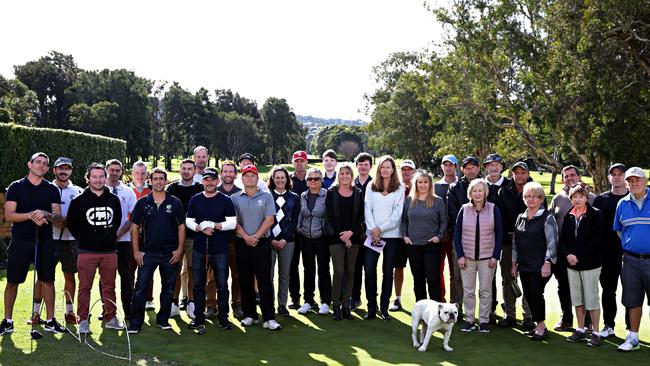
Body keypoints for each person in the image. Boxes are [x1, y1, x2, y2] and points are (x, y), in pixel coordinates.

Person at [1, 152, 65, 335]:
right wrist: (30, 215)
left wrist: (46, 214)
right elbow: (9, 215)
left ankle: (51, 321)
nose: (42, 166)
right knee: (12, 281)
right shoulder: (15, 187)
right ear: (30, 164)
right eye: (38, 162)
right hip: (20, 240)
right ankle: (8, 321)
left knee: (48, 281)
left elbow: (58, 217)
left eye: (45, 164)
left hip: (45, 240)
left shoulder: (52, 189)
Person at [67, 163, 124, 334]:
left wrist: (107, 238)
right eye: (94, 177)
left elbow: (117, 220)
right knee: (84, 287)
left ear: (105, 178)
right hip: (86, 251)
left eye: (101, 176)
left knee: (109, 287)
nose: (98, 180)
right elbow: (72, 224)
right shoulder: (78, 201)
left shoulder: (114, 199)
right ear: (88, 178)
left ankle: (110, 318)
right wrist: (85, 238)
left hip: (109, 251)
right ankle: (83, 321)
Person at [128, 168, 186, 334]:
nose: (159, 181)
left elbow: (181, 227)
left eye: (162, 178)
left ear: (166, 181)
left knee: (168, 289)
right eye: (156, 179)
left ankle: (163, 320)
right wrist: (137, 251)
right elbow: (134, 228)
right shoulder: (142, 203)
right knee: (140, 289)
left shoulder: (175, 202)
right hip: (148, 253)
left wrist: (180, 249)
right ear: (150, 181)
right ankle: (135, 323)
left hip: (170, 253)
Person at [185, 167, 237, 331]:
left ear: (217, 181)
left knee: (222, 285)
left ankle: (223, 319)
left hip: (220, 249)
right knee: (198, 284)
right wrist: (200, 227)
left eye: (212, 180)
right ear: (203, 181)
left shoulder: (225, 200)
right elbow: (189, 220)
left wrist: (215, 225)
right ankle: (199, 318)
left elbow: (232, 222)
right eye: (206, 180)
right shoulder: (196, 199)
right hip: (200, 247)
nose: (209, 182)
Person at [231, 165, 280, 330]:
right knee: (245, 281)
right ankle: (250, 315)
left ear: (257, 178)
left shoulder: (266, 196)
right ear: (242, 179)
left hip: (262, 243)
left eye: (253, 176)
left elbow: (270, 220)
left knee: (265, 281)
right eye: (246, 176)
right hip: (242, 244)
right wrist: (246, 237)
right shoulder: (235, 198)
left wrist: (256, 237)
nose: (250, 178)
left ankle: (269, 318)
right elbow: (234, 222)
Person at [549, 165, 596, 332]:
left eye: (572, 175)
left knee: (586, 287)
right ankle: (567, 318)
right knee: (564, 286)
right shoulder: (558, 199)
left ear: (579, 176)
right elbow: (551, 225)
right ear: (562, 180)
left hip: (585, 252)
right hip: (563, 251)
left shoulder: (591, 197)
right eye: (566, 176)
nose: (569, 178)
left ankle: (589, 322)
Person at [454, 179, 503, 333]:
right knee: (468, 290)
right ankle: (469, 320)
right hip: (467, 258)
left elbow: (499, 233)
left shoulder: (493, 209)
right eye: (474, 191)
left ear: (485, 192)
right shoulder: (464, 209)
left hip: (487, 258)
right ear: (470, 193)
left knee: (485, 290)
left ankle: (483, 321)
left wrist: (495, 256)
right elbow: (457, 234)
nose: (477, 193)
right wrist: (460, 256)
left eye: (480, 190)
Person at [511, 182, 558, 341]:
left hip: (540, 265)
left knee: (536, 294)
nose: (531, 199)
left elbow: (552, 242)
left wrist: (547, 262)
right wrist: (513, 263)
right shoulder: (521, 217)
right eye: (527, 196)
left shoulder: (548, 217)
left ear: (541, 199)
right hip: (524, 264)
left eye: (535, 196)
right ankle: (540, 325)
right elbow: (515, 243)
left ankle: (541, 326)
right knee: (529, 295)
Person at [559, 183, 604, 346]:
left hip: (590, 263)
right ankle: (580, 329)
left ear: (587, 197)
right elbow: (563, 240)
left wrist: (578, 255)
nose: (577, 199)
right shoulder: (568, 216)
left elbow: (597, 241)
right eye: (574, 197)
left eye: (581, 196)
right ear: (571, 199)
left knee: (591, 298)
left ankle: (596, 332)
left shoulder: (596, 215)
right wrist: (568, 255)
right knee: (577, 298)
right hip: (572, 264)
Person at [613, 167, 650, 352]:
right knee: (632, 300)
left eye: (637, 180)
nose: (634, 184)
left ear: (645, 181)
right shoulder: (622, 204)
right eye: (630, 181)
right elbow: (620, 231)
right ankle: (633, 338)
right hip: (630, 260)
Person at [364, 155, 405, 321]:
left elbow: (397, 215)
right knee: (369, 270)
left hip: (392, 236)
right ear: (378, 168)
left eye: (388, 167)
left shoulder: (400, 188)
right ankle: (371, 307)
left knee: (388, 271)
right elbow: (368, 210)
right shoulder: (370, 186)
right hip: (372, 235)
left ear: (393, 169)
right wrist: (374, 230)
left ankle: (384, 308)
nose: (385, 170)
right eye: (382, 167)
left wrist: (381, 229)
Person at [496, 161, 536, 329]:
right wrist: (510, 233)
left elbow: (541, 216)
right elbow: (499, 217)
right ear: (512, 174)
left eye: (522, 172)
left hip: (530, 243)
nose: (519, 175)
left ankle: (528, 316)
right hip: (507, 241)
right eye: (516, 173)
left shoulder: (536, 191)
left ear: (527, 174)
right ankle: (510, 314)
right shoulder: (503, 191)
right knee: (508, 278)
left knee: (528, 278)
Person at [592, 163, 629, 337]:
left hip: (630, 255)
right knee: (608, 291)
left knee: (631, 292)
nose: (616, 177)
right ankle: (609, 325)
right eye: (613, 174)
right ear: (609, 178)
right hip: (607, 255)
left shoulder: (634, 198)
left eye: (620, 174)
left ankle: (631, 329)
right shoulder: (601, 200)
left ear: (625, 177)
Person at [402, 170, 447, 303]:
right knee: (418, 280)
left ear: (430, 184)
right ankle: (422, 313)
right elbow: (404, 220)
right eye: (419, 182)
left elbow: (444, 221)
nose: (422, 185)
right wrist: (405, 235)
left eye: (425, 182)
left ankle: (437, 313)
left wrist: (439, 236)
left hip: (431, 246)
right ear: (415, 184)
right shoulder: (409, 200)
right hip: (413, 246)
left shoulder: (437, 201)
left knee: (433, 280)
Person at [166, 158, 203, 318]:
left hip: (194, 237)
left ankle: (192, 303)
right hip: (174, 238)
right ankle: (173, 302)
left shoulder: (200, 188)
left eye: (190, 169)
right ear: (179, 170)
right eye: (184, 168)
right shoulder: (171, 189)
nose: (186, 171)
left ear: (194, 171)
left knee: (193, 270)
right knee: (174, 269)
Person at [49, 157, 83, 324]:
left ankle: (69, 312)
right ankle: (36, 313)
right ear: (54, 170)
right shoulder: (46, 188)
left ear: (71, 171)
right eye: (60, 168)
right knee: (44, 277)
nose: (63, 171)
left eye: (67, 168)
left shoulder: (78, 191)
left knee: (70, 276)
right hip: (49, 238)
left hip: (71, 240)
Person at [326, 164, 363, 320]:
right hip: (336, 237)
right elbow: (331, 216)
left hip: (353, 238)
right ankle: (336, 306)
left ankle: (346, 306)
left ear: (351, 175)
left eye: (348, 173)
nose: (345, 176)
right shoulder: (331, 193)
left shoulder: (358, 193)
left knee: (350, 272)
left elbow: (360, 216)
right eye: (342, 173)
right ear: (338, 175)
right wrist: (343, 235)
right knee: (339, 272)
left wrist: (350, 234)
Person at [446, 156, 481, 314]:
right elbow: (452, 213)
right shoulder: (455, 187)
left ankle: (487, 310)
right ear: (462, 170)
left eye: (473, 167)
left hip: (484, 238)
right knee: (458, 274)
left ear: (478, 168)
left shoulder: (485, 186)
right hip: (460, 237)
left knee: (485, 277)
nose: (470, 170)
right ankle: (456, 306)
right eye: (467, 168)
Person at [296, 168, 332, 315]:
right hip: (306, 237)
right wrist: (299, 228)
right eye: (310, 179)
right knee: (308, 270)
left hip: (322, 237)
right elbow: (301, 215)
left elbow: (331, 215)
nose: (313, 181)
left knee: (323, 269)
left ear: (321, 180)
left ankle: (325, 301)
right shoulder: (303, 196)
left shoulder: (327, 195)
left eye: (316, 179)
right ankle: (308, 301)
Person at [105, 159, 137, 319]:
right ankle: (107, 311)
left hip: (123, 241)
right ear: (106, 170)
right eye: (112, 169)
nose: (114, 173)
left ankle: (128, 311)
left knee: (126, 276)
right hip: (103, 243)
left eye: (118, 170)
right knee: (105, 278)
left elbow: (132, 218)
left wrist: (117, 235)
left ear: (121, 172)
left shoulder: (128, 191)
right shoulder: (98, 189)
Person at [268, 166, 300, 316]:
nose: (280, 180)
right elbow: (265, 220)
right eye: (277, 177)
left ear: (287, 179)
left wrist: (285, 239)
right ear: (273, 179)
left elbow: (294, 222)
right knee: (268, 275)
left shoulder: (294, 197)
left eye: (283, 177)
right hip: (269, 241)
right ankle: (269, 305)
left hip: (288, 242)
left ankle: (282, 305)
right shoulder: (267, 196)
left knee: (284, 274)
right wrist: (273, 240)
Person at [483, 153, 509, 323]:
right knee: (488, 276)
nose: (493, 167)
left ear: (502, 167)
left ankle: (509, 309)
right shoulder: (480, 185)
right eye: (490, 165)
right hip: (485, 239)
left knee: (508, 276)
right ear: (486, 167)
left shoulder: (509, 185)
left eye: (497, 165)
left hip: (506, 238)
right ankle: (490, 309)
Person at [217, 160, 244, 318]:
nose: (228, 174)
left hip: (235, 241)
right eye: (225, 171)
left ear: (235, 174)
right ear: (221, 174)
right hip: (216, 241)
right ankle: (212, 304)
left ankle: (238, 304)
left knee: (237, 276)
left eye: (230, 171)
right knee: (213, 276)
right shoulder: (213, 191)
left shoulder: (241, 193)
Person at [388, 159, 416, 312]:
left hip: (416, 235)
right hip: (398, 235)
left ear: (414, 171)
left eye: (409, 169)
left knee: (419, 269)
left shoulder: (421, 187)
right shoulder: (395, 188)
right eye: (403, 169)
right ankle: (397, 299)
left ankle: (423, 301)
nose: (406, 172)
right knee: (398, 267)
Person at [129, 160, 155, 311]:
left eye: (143, 173)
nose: (140, 176)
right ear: (132, 173)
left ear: (147, 175)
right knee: (130, 269)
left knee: (147, 269)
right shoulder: (126, 190)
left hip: (149, 237)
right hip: (130, 236)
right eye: (137, 173)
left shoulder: (152, 190)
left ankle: (148, 298)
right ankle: (132, 298)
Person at [351, 152, 373, 311]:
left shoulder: (376, 183)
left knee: (371, 268)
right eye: (360, 164)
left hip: (373, 233)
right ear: (357, 165)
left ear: (370, 166)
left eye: (366, 164)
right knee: (356, 266)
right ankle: (355, 297)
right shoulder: (352, 184)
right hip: (356, 233)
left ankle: (372, 301)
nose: (363, 167)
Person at [434, 154, 458, 304]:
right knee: (438, 271)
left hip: (456, 235)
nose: (448, 167)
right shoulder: (436, 186)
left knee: (455, 273)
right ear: (442, 167)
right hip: (438, 235)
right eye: (445, 165)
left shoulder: (461, 185)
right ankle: (441, 302)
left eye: (451, 165)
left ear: (456, 167)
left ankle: (455, 303)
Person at [288, 150, 309, 309]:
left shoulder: (314, 178)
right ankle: (295, 298)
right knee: (292, 265)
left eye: (302, 160)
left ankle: (310, 298)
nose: (299, 163)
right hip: (292, 230)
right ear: (293, 162)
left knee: (309, 265)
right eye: (297, 161)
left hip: (309, 230)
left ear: (306, 162)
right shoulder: (288, 180)